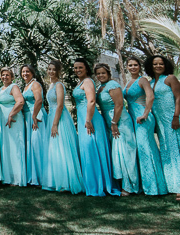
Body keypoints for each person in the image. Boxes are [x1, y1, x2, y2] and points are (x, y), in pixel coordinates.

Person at [146, 55, 180, 202]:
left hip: (172, 119)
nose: (158, 66)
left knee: (177, 150)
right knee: (167, 151)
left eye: (161, 63)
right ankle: (173, 184)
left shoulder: (170, 78)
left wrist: (176, 117)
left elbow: (178, 98)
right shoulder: (151, 82)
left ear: (165, 65)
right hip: (160, 121)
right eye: (155, 64)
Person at [123, 57, 168, 196]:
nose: (133, 67)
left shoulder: (142, 80)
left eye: (135, 65)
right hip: (133, 118)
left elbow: (150, 97)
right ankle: (143, 183)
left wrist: (145, 114)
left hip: (143, 118)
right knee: (140, 149)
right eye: (130, 65)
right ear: (127, 67)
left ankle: (153, 186)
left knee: (146, 149)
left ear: (139, 66)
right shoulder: (128, 82)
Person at [72, 58, 113, 197]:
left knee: (91, 148)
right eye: (75, 68)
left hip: (90, 118)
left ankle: (98, 184)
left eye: (80, 68)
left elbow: (91, 100)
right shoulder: (81, 82)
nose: (77, 70)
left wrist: (88, 120)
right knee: (88, 149)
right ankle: (92, 182)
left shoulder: (88, 81)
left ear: (86, 69)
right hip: (84, 117)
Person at [95, 63, 138, 194]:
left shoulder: (113, 85)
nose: (101, 75)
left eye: (103, 73)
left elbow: (119, 105)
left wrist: (114, 122)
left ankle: (130, 186)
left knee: (125, 153)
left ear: (108, 73)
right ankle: (120, 183)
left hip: (120, 122)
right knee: (117, 153)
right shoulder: (101, 87)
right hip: (109, 122)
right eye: (98, 73)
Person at [43, 61, 84, 194]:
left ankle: (66, 181)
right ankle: (56, 180)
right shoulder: (51, 85)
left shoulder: (59, 85)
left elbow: (60, 105)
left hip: (59, 118)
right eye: (49, 69)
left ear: (58, 71)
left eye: (54, 69)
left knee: (62, 146)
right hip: (51, 116)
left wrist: (55, 124)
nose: (51, 72)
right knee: (54, 148)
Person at [0, 67, 27, 186]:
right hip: (2, 121)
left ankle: (17, 177)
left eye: (7, 75)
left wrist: (11, 114)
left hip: (13, 120)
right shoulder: (1, 89)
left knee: (15, 147)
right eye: (3, 75)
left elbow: (20, 102)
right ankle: (8, 176)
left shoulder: (14, 87)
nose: (5, 77)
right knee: (7, 147)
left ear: (12, 77)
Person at [20, 64, 47, 187]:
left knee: (38, 145)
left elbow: (39, 100)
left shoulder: (35, 84)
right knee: (31, 146)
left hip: (36, 116)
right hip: (28, 116)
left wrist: (35, 116)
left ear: (32, 72)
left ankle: (42, 177)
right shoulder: (25, 86)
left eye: (27, 71)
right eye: (23, 72)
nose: (25, 73)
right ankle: (33, 176)